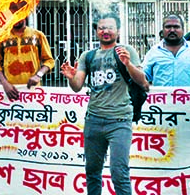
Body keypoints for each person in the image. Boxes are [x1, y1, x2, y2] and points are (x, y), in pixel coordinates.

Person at [60, 13, 149, 195]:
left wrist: (128, 64)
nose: (105, 31)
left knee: (119, 172)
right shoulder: (88, 55)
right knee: (92, 171)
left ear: (117, 30)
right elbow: (77, 86)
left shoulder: (127, 51)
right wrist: (71, 77)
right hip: (93, 121)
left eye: (109, 28)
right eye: (101, 28)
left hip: (120, 121)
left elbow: (142, 81)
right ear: (96, 32)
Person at [143, 15, 190, 90]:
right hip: (163, 101)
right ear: (163, 30)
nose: (172, 30)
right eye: (168, 27)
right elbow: (144, 73)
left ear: (183, 30)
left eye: (176, 27)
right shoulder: (154, 51)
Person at [0, 18, 55, 101]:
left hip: (33, 91)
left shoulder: (37, 35)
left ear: (25, 15)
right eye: (14, 16)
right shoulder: (2, 38)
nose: (16, 18)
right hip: (10, 91)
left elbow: (49, 61)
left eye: (19, 15)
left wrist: (38, 75)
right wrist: (4, 83)